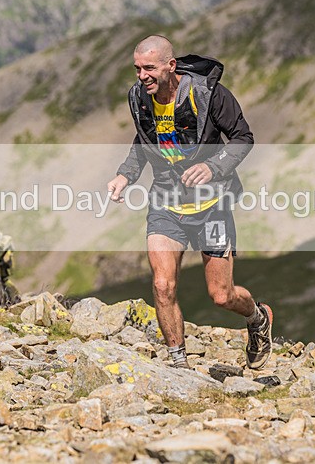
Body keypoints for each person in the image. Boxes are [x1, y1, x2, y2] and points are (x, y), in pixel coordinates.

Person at [107, 35, 273, 370]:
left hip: (212, 206)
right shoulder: (139, 97)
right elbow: (143, 141)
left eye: (149, 68)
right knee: (162, 284)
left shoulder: (208, 95)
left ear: (171, 65)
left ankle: (258, 318)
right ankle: (178, 364)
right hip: (166, 204)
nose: (142, 76)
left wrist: (213, 166)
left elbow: (243, 139)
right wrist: (126, 175)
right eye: (137, 69)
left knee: (222, 295)